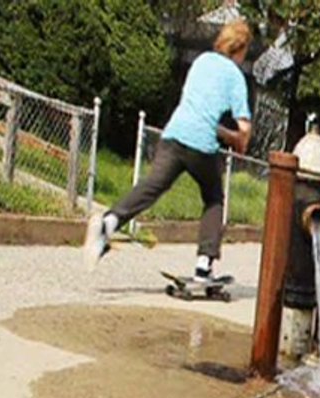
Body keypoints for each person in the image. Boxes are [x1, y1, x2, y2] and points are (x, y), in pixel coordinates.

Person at [83, 20, 254, 281]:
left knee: (153, 185)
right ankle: (203, 266)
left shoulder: (202, 61)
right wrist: (237, 139)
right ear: (241, 49)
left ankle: (109, 222)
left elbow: (197, 110)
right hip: (201, 145)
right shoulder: (235, 76)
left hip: (174, 133)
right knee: (214, 198)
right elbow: (243, 130)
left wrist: (219, 130)